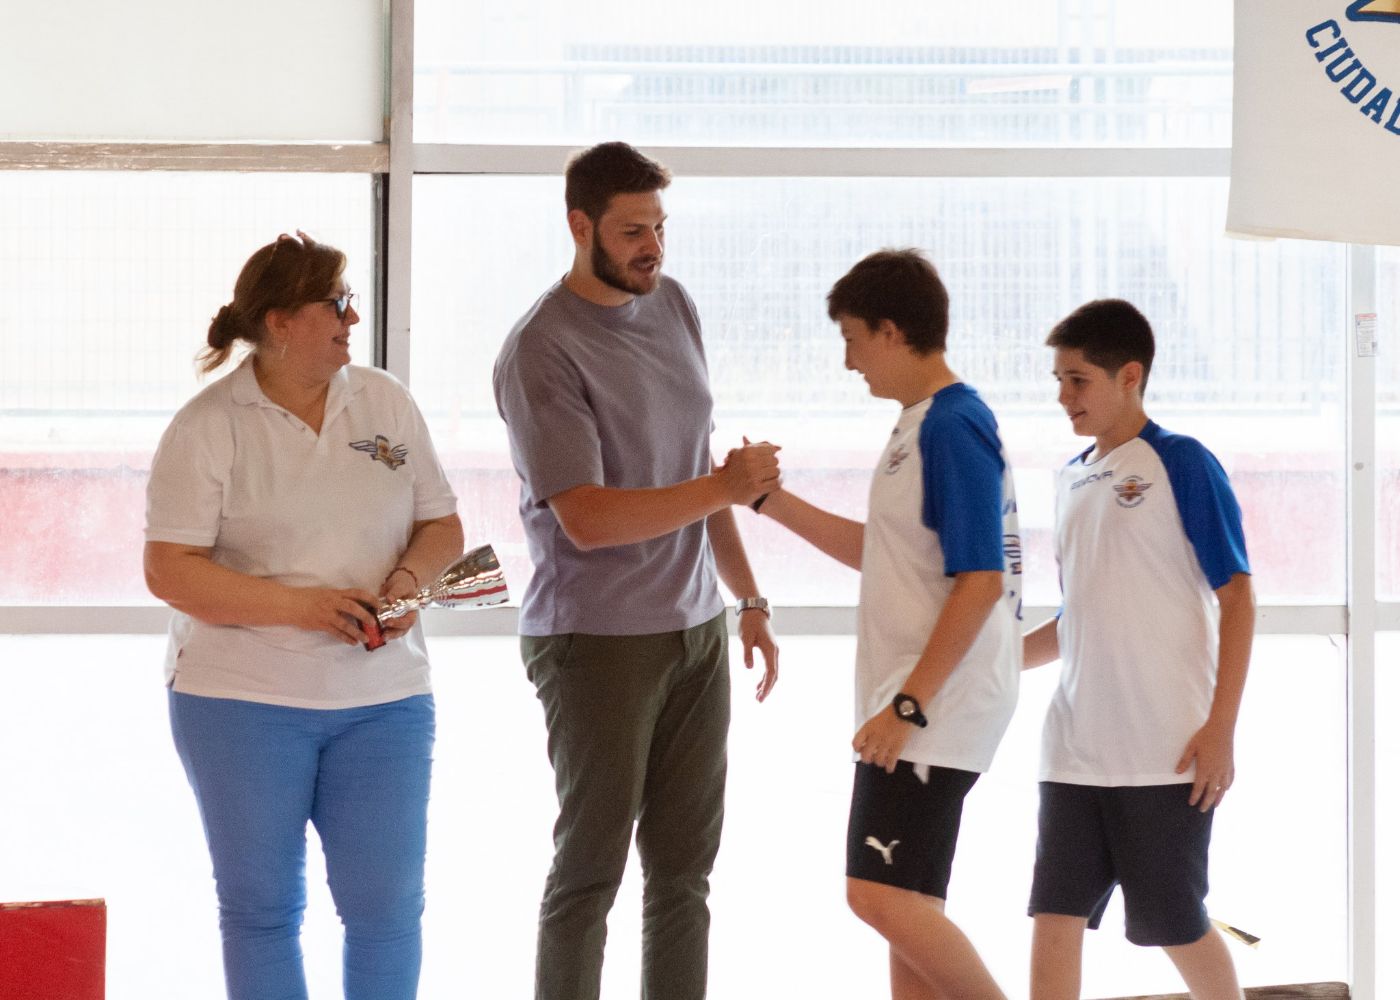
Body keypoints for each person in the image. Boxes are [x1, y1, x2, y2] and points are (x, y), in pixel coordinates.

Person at [492, 141, 780, 1000]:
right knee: (591, 873)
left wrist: (749, 598)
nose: (652, 246)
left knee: (685, 874)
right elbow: (586, 515)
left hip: (696, 631)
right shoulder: (541, 349)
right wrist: (720, 486)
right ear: (580, 227)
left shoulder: (674, 306)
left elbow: (696, 474)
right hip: (596, 641)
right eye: (631, 231)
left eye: (659, 226)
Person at [143, 231, 464, 1000]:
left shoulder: (384, 398)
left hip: (383, 702)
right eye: (337, 303)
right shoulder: (207, 426)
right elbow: (169, 570)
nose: (352, 318)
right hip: (239, 702)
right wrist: (305, 608)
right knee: (261, 913)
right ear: (281, 321)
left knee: (387, 912)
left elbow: (442, 525)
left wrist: (409, 579)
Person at [756, 249, 1021, 1000]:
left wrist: (909, 706)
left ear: (891, 330)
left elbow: (980, 581)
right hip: (921, 704)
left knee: (878, 897)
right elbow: (888, 556)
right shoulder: (921, 424)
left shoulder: (953, 425)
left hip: (932, 709)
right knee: (907, 919)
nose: (848, 362)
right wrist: (769, 502)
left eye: (851, 338)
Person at [1022, 298, 1255, 1000]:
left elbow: (1238, 597)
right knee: (1054, 917)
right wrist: (986, 667)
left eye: (1078, 380)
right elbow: (1075, 620)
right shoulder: (1069, 478)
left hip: (1167, 752)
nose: (1064, 397)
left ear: (1130, 376)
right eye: (1058, 380)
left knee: (1173, 923)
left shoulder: (1181, 462)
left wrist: (1221, 729)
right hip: (1073, 751)